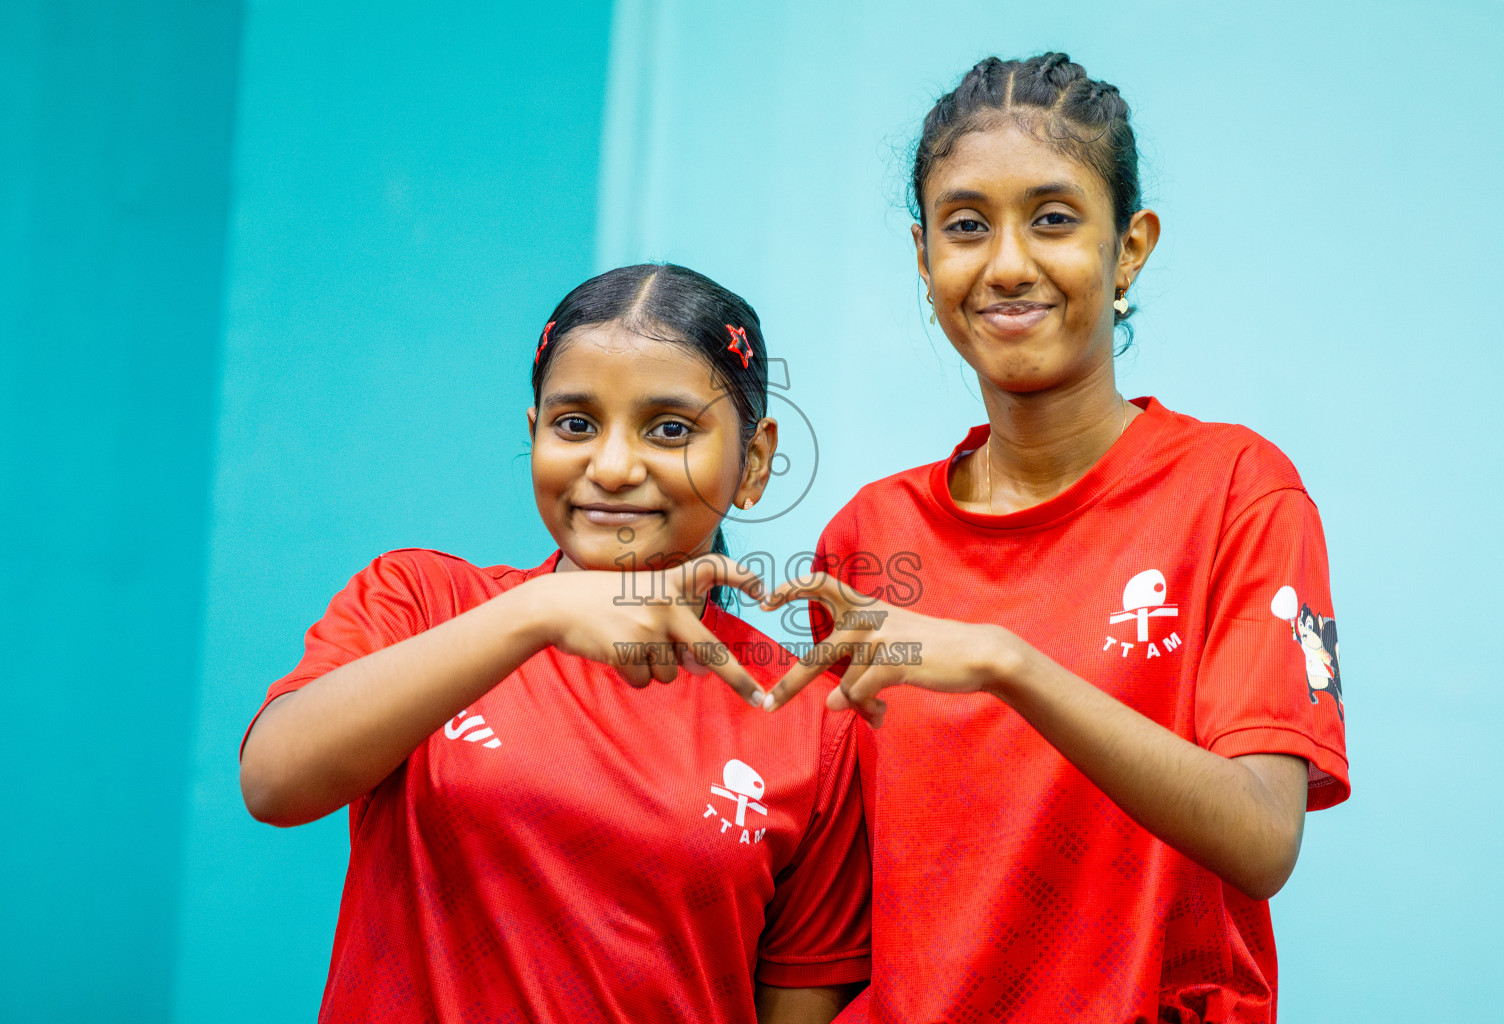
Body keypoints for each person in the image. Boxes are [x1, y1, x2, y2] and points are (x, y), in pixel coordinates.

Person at [761, 55, 1349, 1023]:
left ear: (1130, 248)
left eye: (1053, 217)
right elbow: (826, 906)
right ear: (922, 259)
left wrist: (1005, 661)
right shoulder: (869, 535)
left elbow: (1260, 835)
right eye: (964, 226)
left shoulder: (1237, 490)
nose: (1006, 263)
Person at [239, 264, 871, 1024]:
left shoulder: (808, 717)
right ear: (534, 432)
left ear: (756, 461)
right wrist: (535, 611)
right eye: (575, 424)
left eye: (670, 429)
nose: (611, 467)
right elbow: (275, 784)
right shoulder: (422, 601)